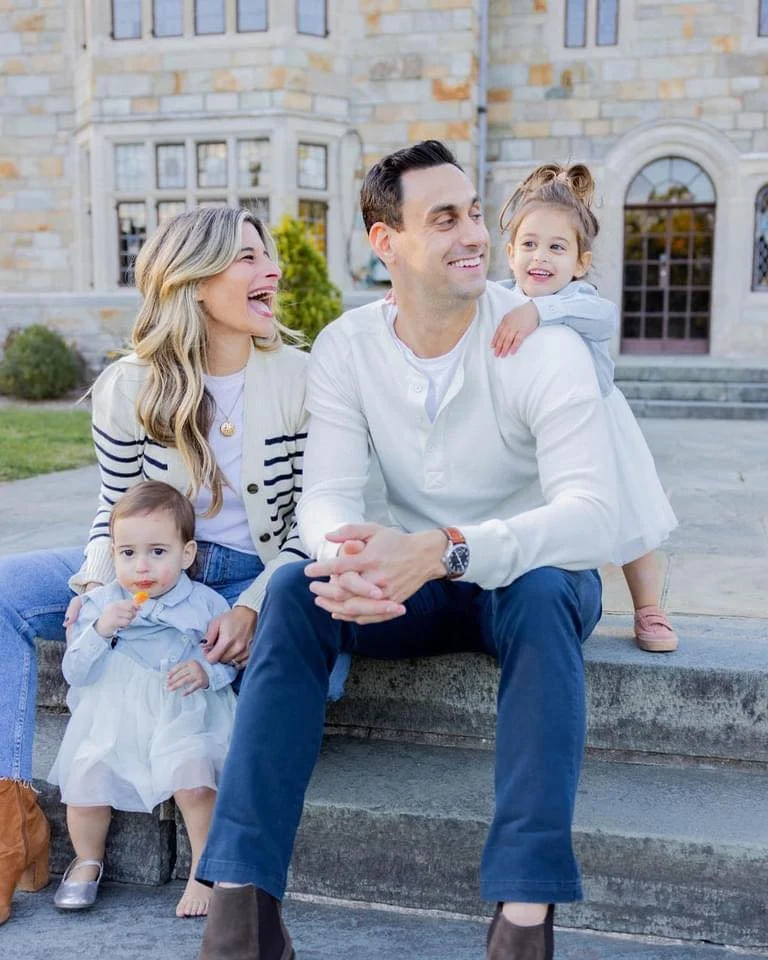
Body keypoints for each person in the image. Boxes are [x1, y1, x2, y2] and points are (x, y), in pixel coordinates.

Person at [195, 141, 620, 960]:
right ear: (385, 243)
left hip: (520, 577)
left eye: (472, 213)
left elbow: (593, 516)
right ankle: (241, 916)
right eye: (444, 218)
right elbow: (323, 497)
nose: (474, 236)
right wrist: (345, 555)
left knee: (541, 591)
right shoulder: (348, 348)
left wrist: (446, 549)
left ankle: (523, 920)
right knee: (291, 591)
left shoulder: (543, 342)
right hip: (403, 584)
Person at [0, 206, 329, 925]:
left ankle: (225, 848)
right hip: (147, 567)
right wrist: (95, 584)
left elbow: (318, 522)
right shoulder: (130, 387)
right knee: (2, 592)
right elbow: (113, 509)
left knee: (310, 663)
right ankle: (6, 821)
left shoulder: (305, 378)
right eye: (248, 258)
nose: (271, 270)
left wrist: (255, 605)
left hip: (258, 571)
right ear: (194, 280)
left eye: (266, 256)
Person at [489, 163, 678, 652]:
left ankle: (649, 609)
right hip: (534, 432)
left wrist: (539, 310)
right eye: (529, 244)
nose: (541, 256)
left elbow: (604, 317)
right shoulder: (499, 300)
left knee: (630, 518)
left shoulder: (579, 300)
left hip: (599, 427)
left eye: (557, 247)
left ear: (579, 261)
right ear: (509, 254)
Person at [49, 481, 238, 916]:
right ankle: (86, 859)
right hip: (116, 716)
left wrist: (205, 672)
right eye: (127, 553)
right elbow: (74, 672)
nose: (141, 567)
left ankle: (203, 868)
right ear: (112, 553)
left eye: (157, 551)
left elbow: (229, 662)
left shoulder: (205, 602)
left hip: (184, 713)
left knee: (194, 781)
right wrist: (100, 630)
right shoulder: (99, 604)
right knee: (86, 782)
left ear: (186, 554)